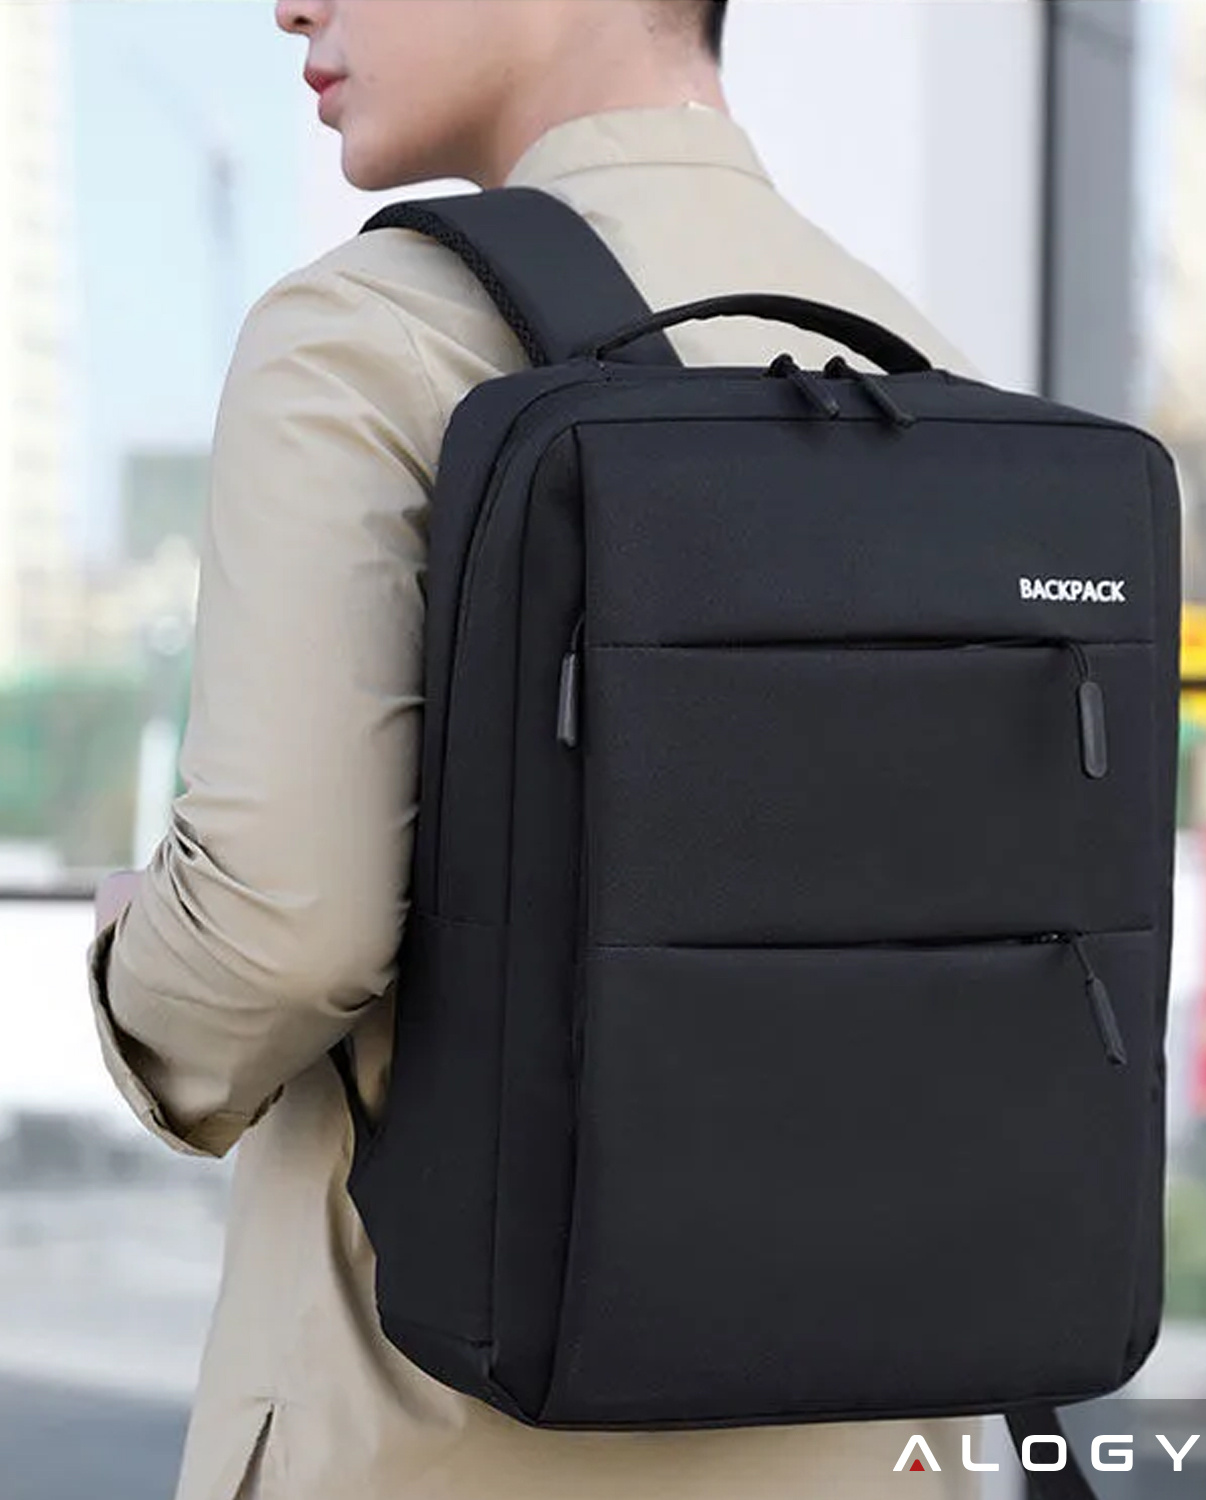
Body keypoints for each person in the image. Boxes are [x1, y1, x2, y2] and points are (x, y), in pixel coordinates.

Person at [89, 3, 983, 1496]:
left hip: (439, 1441)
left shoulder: (367, 339)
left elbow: (274, 933)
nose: (288, 5)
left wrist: (134, 957)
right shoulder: (929, 369)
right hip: (878, 1448)